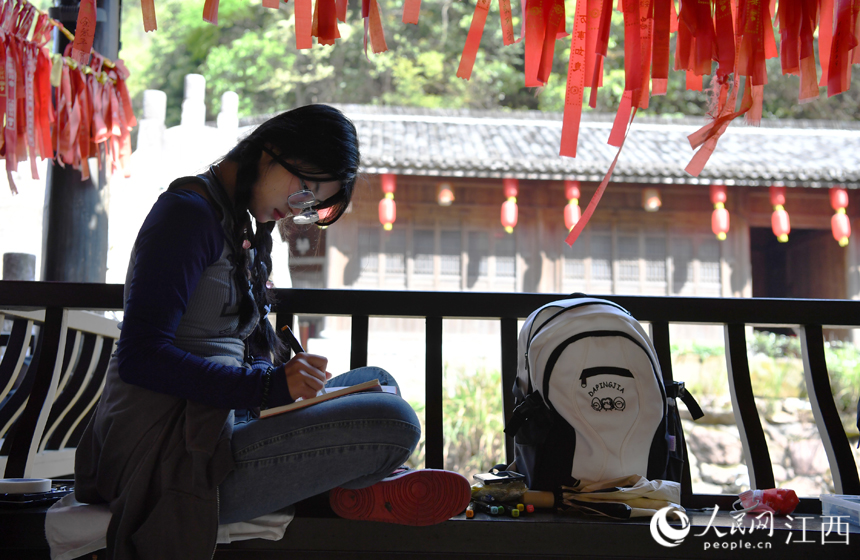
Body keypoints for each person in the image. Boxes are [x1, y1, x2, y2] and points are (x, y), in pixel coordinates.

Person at [73, 105, 470, 560]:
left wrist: (290, 388)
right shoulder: (186, 216)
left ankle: (353, 490)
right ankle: (355, 490)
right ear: (274, 149)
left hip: (222, 421)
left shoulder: (241, 221)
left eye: (310, 204)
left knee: (379, 382)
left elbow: (241, 356)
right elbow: (141, 357)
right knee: (392, 421)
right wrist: (268, 387)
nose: (299, 208)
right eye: (306, 191)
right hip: (168, 452)